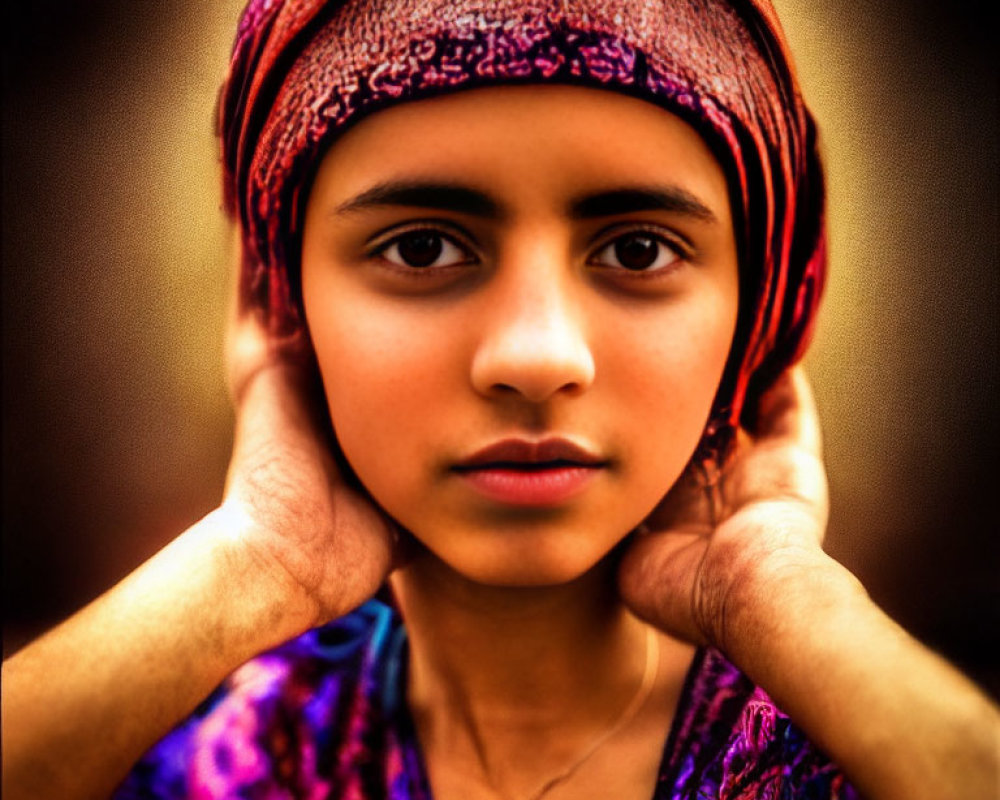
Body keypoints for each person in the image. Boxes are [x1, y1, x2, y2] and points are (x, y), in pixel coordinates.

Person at [3, 1, 997, 799]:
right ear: (284, 297)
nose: (534, 355)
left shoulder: (844, 751)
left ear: (758, 309)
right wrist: (253, 559)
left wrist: (785, 594)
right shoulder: (216, 758)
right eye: (423, 246)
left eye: (637, 248)